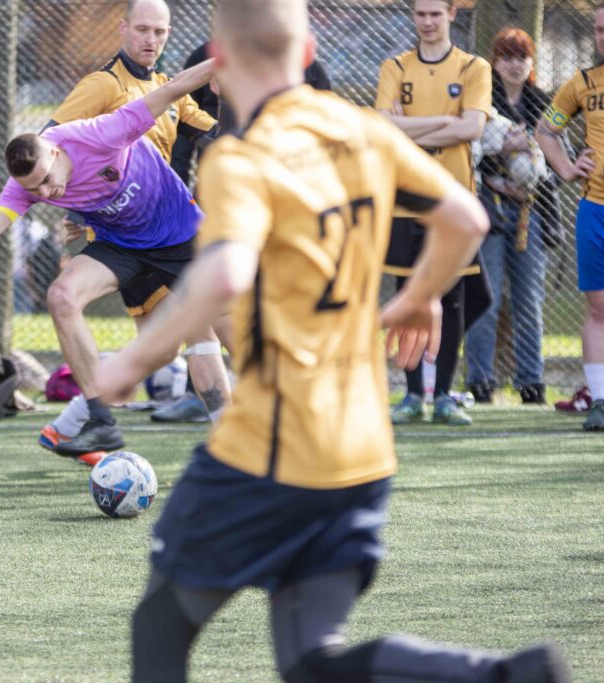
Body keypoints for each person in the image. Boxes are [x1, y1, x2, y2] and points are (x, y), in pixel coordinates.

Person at [95, 2, 570, 681]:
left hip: (271, 446)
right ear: (309, 50)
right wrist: (420, 295)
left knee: (160, 627)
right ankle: (500, 675)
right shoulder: (360, 130)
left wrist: (134, 360)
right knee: (313, 661)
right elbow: (465, 217)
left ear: (219, 65)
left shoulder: (240, 158)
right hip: (361, 448)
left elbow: (224, 272)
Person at [0, 57, 225, 458]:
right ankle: (100, 421)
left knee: (219, 337)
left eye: (45, 181)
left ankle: (249, 441)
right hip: (121, 244)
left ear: (56, 153)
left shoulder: (104, 132)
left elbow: (172, 88)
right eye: (34, 190)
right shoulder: (26, 184)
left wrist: (228, 57)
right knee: (62, 296)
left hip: (182, 236)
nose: (44, 194)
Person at [42, 0, 230, 437]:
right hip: (124, 236)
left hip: (167, 229)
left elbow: (219, 136)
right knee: (201, 333)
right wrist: (77, 205)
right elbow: (45, 148)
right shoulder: (103, 85)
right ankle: (237, 444)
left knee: (167, 348)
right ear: (123, 28)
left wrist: (234, 101)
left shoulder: (168, 89)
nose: (151, 40)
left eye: (159, 32)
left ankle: (70, 425)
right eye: (143, 30)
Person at [376, 0, 492, 426]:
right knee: (410, 292)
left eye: (435, 14)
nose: (427, 22)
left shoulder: (473, 67)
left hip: (455, 199)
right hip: (406, 197)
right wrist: (446, 122)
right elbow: (381, 125)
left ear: (452, 15)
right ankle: (412, 396)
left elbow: (473, 127)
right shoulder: (395, 66)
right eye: (421, 14)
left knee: (456, 296)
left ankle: (441, 394)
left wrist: (408, 128)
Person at [464, 28, 558, 405]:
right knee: (485, 298)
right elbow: (468, 152)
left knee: (529, 300)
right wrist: (502, 159)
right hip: (488, 208)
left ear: (531, 62)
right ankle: (480, 381)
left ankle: (531, 381)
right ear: (495, 62)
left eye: (521, 57)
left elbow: (558, 156)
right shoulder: (482, 99)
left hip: (530, 211)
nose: (515, 64)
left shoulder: (544, 103)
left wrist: (532, 181)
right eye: (506, 57)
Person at [536, 2, 604, 431]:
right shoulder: (582, 83)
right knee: (598, 310)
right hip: (595, 208)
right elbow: (546, 130)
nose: (603, 36)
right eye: (599, 29)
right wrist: (565, 167)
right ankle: (599, 401)